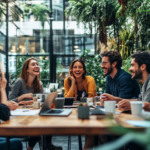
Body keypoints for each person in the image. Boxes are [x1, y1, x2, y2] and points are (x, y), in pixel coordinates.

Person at [9, 57, 62, 150]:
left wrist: (37, 100)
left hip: (33, 113)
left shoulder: (39, 83)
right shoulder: (19, 82)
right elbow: (10, 100)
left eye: (37, 64)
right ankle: (37, 147)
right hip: (21, 116)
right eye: (33, 64)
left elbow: (41, 100)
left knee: (46, 119)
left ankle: (46, 145)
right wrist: (22, 97)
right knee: (38, 124)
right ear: (27, 69)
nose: (36, 66)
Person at [64, 58, 97, 150]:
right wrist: (73, 82)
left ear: (84, 70)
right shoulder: (68, 81)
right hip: (73, 111)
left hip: (89, 110)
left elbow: (91, 98)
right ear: (71, 70)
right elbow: (68, 99)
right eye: (75, 67)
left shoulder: (90, 80)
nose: (77, 69)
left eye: (80, 67)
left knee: (90, 131)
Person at [0, 72, 22, 150]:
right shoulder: (20, 81)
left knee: (11, 137)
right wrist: (2, 89)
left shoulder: (38, 83)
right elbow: (5, 114)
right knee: (16, 143)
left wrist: (6, 104)